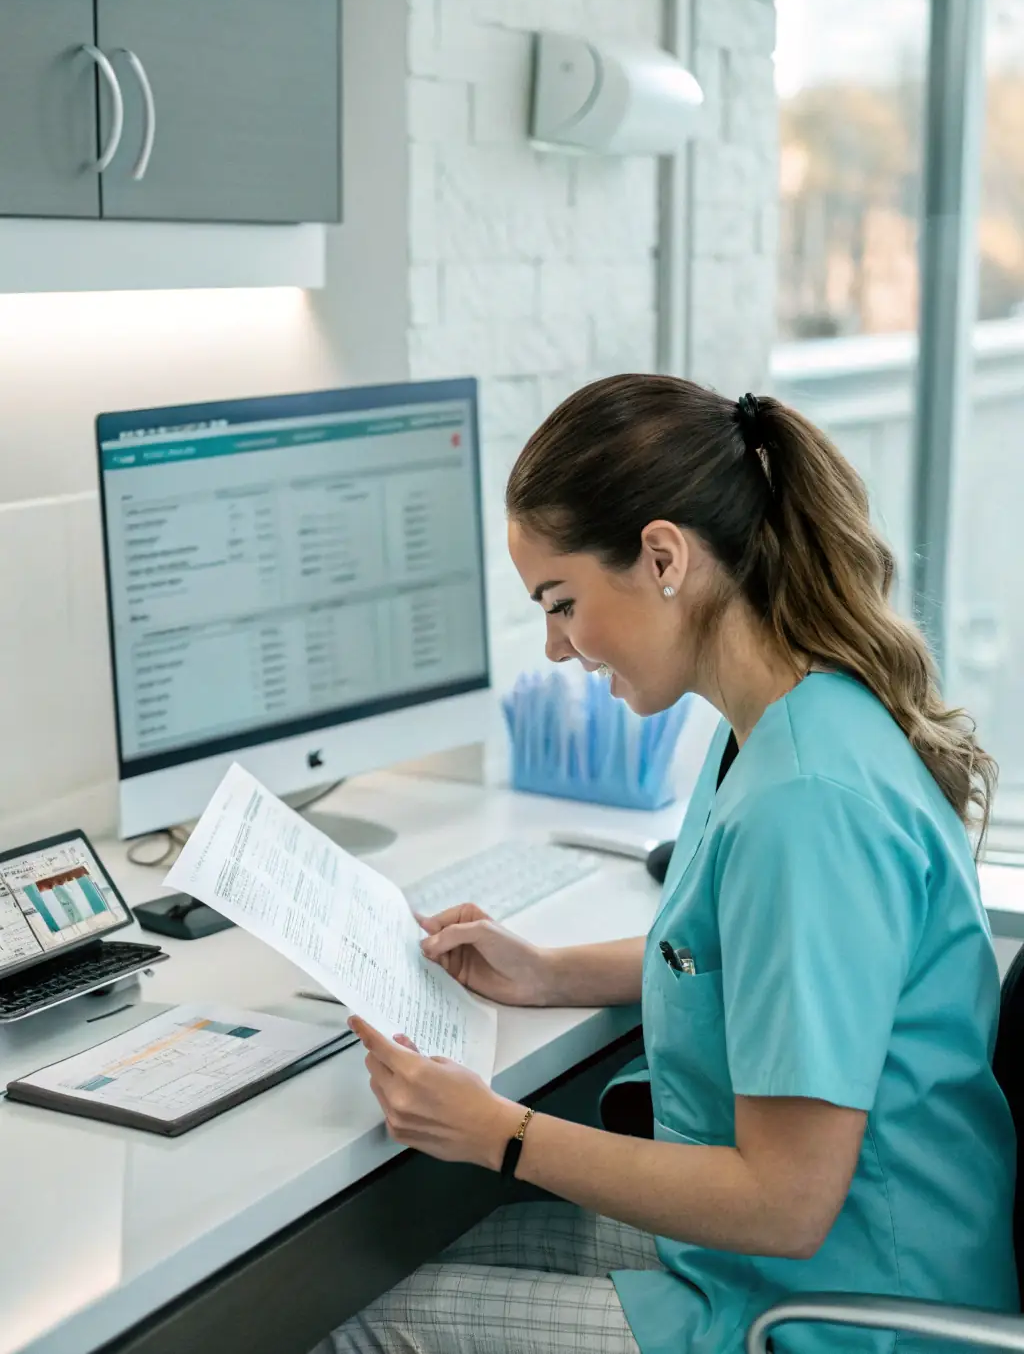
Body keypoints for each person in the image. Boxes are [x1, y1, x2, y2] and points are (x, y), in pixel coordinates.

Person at [322, 374, 1018, 1354]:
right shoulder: (784, 724)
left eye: (561, 603)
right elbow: (744, 955)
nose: (557, 649)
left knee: (366, 1321)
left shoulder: (806, 805)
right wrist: (552, 972)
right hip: (793, 1261)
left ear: (661, 557)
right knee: (387, 1259)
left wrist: (499, 1135)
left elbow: (785, 1204)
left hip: (839, 1313)